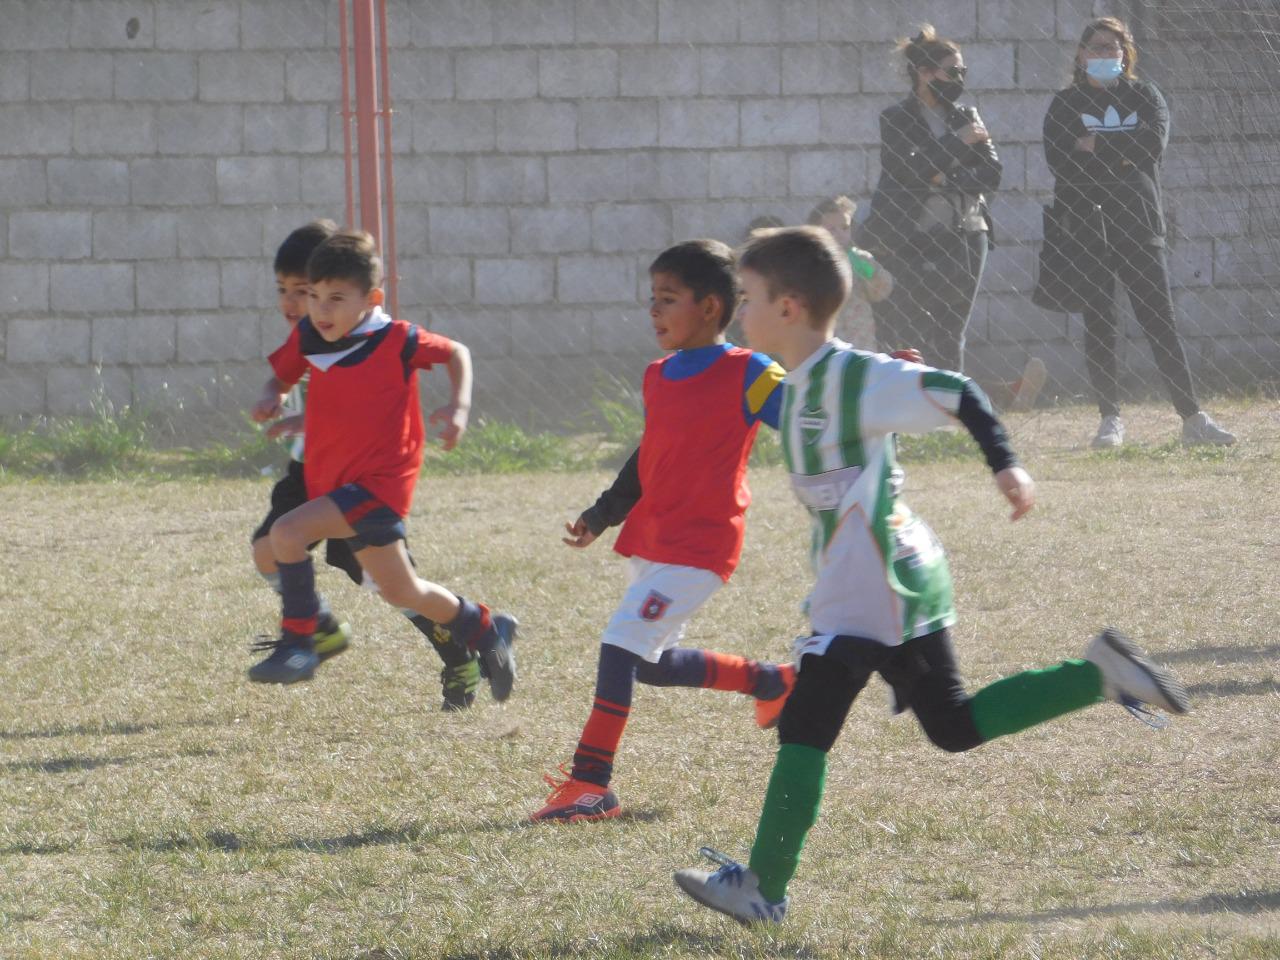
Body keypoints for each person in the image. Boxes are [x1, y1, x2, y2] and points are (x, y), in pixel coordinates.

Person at [673, 226, 1190, 925]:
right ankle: (1098, 675)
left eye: (749, 298)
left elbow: (959, 392)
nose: (740, 311)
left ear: (789, 307)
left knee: (808, 720)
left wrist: (1006, 463)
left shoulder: (856, 377)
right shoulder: (796, 386)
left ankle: (761, 888)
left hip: (877, 585)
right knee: (951, 725)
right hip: (885, 580)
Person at [527, 240, 798, 824]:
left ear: (709, 306)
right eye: (652, 299)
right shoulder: (659, 375)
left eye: (666, 299)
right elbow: (647, 457)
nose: (653, 311)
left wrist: (876, 390)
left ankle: (590, 783)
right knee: (647, 661)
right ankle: (772, 682)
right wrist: (601, 515)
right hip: (654, 540)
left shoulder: (751, 370)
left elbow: (811, 420)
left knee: (619, 648)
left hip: (701, 545)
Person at [248, 229, 516, 696]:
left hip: (378, 485)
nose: (320, 309)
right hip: (334, 484)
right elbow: (281, 377)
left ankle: (300, 642)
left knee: (285, 534)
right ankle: (485, 628)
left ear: (371, 298)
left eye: (336, 298)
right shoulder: (312, 336)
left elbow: (456, 352)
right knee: (402, 590)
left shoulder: (396, 338)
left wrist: (459, 407)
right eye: (313, 296)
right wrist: (272, 397)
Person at [1043, 16, 1235, 447]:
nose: (1104, 55)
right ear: (1080, 54)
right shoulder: (1064, 104)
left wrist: (1095, 146)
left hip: (1140, 223)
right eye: (1096, 47)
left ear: (1126, 54)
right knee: (1101, 321)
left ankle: (1192, 419)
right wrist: (1122, 155)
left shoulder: (1145, 96)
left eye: (1113, 48)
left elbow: (1153, 145)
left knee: (1159, 321)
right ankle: (1110, 418)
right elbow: (1059, 158)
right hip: (1088, 225)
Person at [861, 25, 999, 376]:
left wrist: (943, 177)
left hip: (967, 231)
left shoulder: (966, 114)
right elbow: (906, 169)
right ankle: (912, 405)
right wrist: (957, 143)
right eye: (952, 71)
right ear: (924, 73)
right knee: (912, 328)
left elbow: (992, 173)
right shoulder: (896, 118)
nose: (960, 79)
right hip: (912, 235)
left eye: (962, 71)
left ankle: (950, 411)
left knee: (952, 331)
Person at [807, 196, 893, 351]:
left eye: (845, 228)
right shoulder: (809, 263)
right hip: (825, 343)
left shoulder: (859, 258)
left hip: (860, 340)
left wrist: (871, 275)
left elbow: (881, 292)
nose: (839, 234)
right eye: (831, 229)